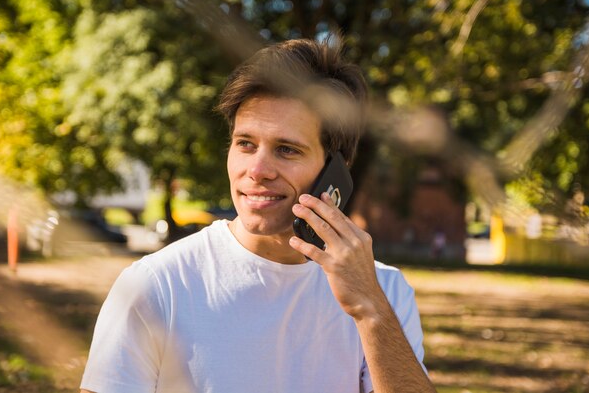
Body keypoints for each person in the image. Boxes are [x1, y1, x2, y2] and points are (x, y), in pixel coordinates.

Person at [80, 37, 435, 393]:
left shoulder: (384, 292)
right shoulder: (156, 285)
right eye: (245, 144)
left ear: (335, 171)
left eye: (286, 149)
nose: (257, 169)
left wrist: (370, 311)